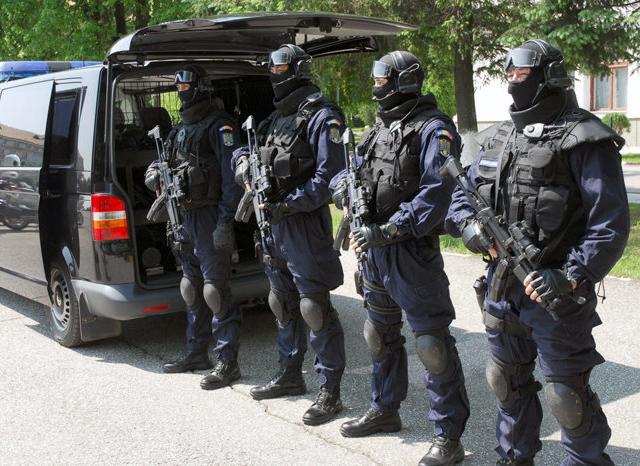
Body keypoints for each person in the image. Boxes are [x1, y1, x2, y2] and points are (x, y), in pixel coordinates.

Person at [445, 40, 629, 465]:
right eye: (509, 74)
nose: (513, 82)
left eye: (523, 74)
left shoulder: (585, 137)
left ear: (550, 77)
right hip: (502, 286)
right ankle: (514, 456)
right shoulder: (499, 137)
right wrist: (470, 228)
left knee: (566, 396)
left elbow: (610, 223)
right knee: (505, 381)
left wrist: (571, 274)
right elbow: (462, 195)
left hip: (557, 294)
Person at [332, 51, 470, 466]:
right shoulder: (379, 129)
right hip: (373, 251)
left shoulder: (435, 129)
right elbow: (351, 169)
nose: (376, 86)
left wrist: (391, 228)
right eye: (375, 79)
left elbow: (437, 193)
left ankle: (448, 437)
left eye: (382, 79)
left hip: (411, 252)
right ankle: (385, 408)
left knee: (432, 345)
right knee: (379, 334)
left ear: (402, 82)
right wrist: (342, 189)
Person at [232, 44, 346, 425]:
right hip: (273, 224)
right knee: (281, 302)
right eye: (272, 67)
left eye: (281, 66)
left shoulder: (322, 116)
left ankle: (330, 390)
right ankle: (290, 374)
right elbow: (244, 150)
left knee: (314, 308)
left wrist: (289, 204)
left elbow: (331, 178)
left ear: (298, 70)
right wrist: (242, 163)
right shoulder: (275, 118)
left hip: (303, 224)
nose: (274, 72)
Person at [145, 65, 244, 390]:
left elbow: (232, 179)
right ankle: (196, 351)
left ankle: (227, 361)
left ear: (201, 86)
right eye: (178, 86)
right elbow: (164, 159)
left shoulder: (220, 126)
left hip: (210, 216)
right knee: (191, 286)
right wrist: (154, 171)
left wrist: (225, 221)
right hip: (183, 216)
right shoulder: (180, 128)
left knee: (215, 290)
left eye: (186, 85)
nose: (181, 91)